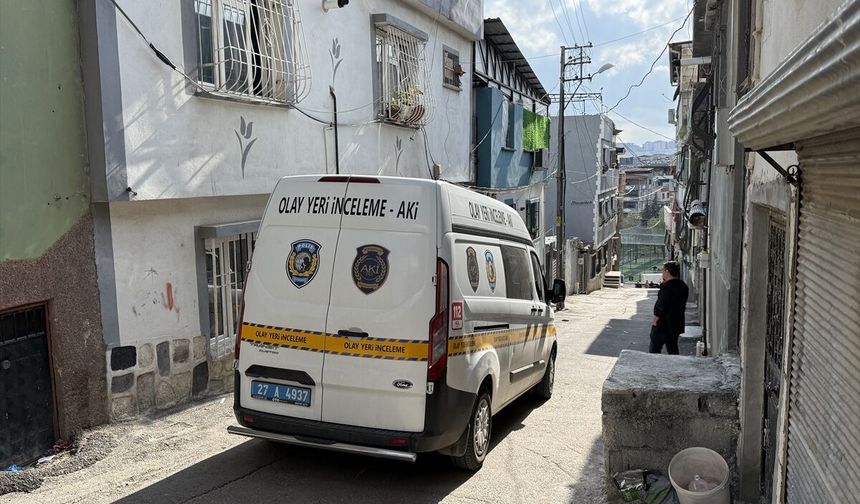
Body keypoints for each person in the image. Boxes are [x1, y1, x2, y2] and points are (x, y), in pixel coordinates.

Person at [650, 261, 689, 354]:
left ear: (667, 271)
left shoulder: (667, 287)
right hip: (676, 323)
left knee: (654, 349)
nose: (662, 273)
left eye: (663, 271)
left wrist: (655, 318)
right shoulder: (683, 286)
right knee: (673, 348)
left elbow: (662, 305)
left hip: (663, 323)